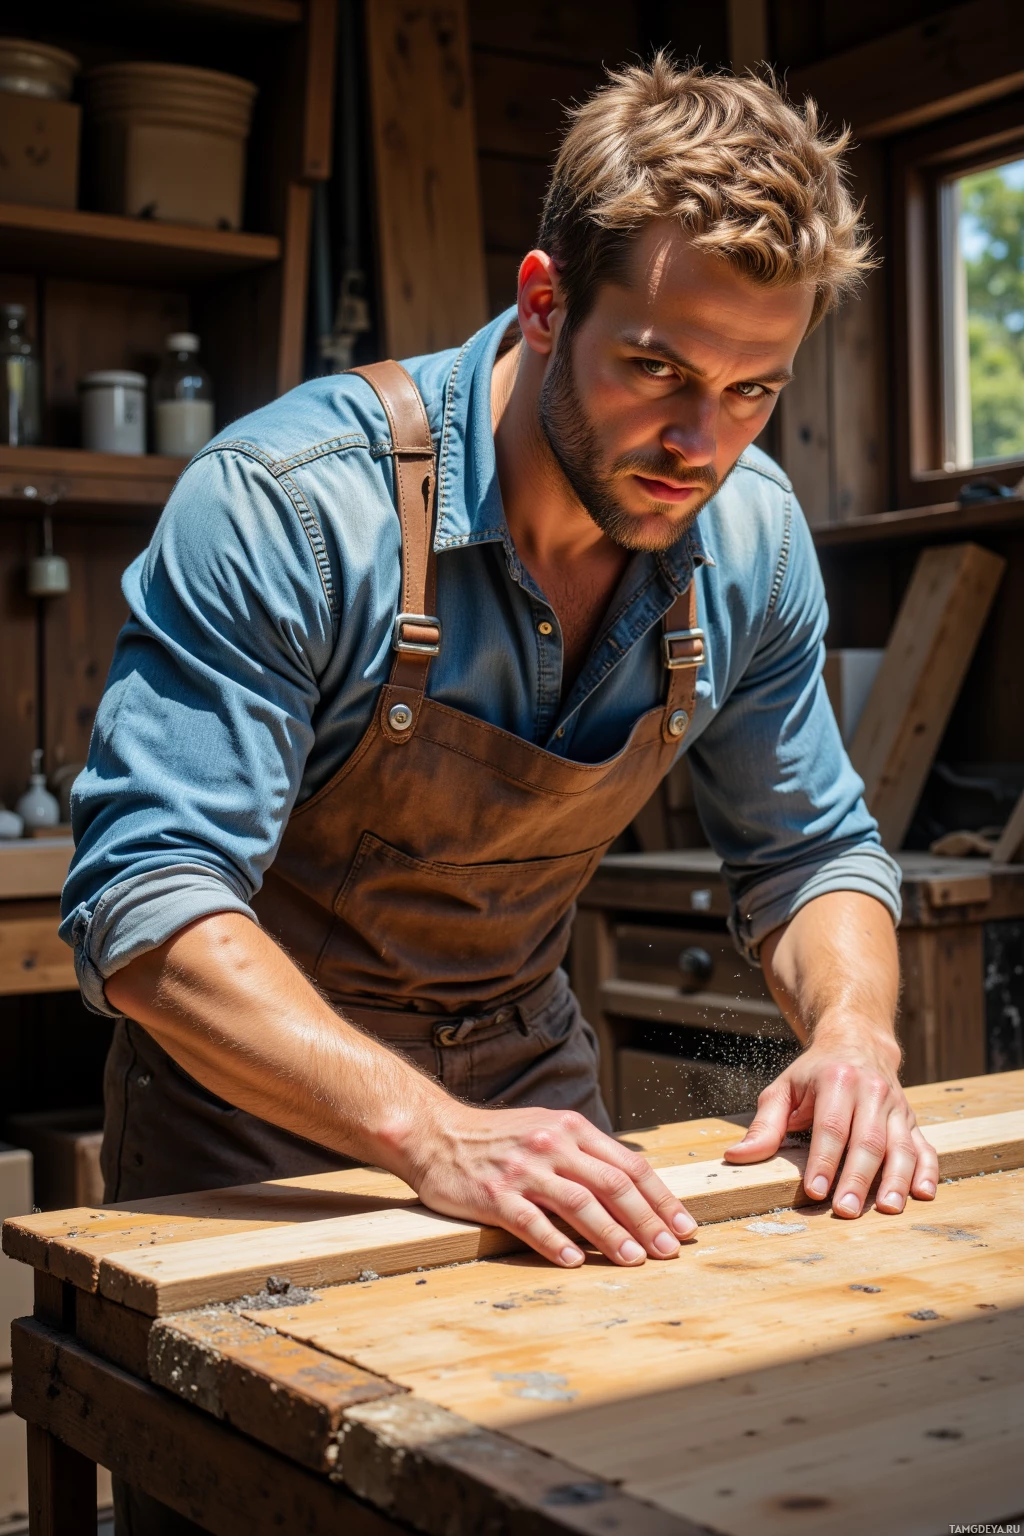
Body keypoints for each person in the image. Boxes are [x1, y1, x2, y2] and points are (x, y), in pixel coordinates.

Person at [64, 57, 939, 1288]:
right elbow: (149, 907)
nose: (703, 444)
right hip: (252, 1134)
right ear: (543, 302)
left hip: (536, 1105)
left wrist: (854, 1034)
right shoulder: (295, 506)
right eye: (658, 372)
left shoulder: (754, 539)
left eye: (754, 391)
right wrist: (429, 1133)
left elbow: (811, 854)